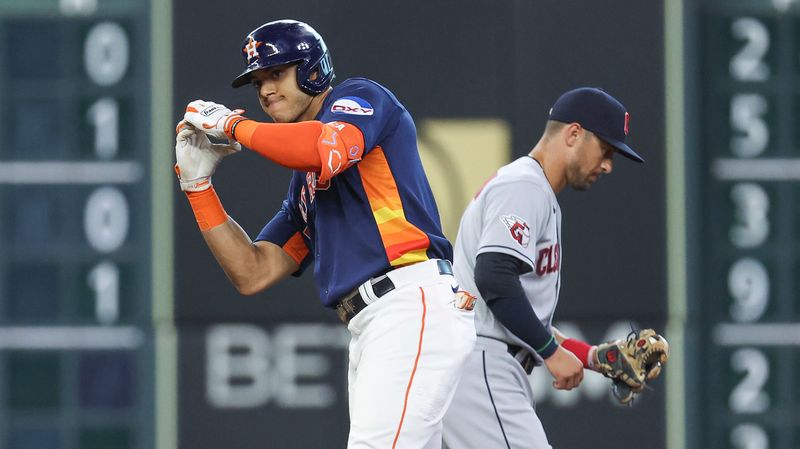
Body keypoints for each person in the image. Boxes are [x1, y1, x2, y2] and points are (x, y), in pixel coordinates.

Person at [174, 19, 476, 449]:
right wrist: (198, 189)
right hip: (374, 324)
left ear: (313, 69)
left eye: (277, 73)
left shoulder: (360, 98)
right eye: (258, 81)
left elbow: (321, 148)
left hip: (410, 303)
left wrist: (231, 125)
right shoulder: (305, 186)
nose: (265, 90)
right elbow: (252, 271)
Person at [441, 87, 645, 449]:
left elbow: (519, 312)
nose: (608, 165)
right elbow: (495, 275)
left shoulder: (533, 189)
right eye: (606, 150)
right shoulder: (524, 185)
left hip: (489, 364)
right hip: (484, 365)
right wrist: (551, 352)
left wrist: (592, 358)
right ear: (574, 134)